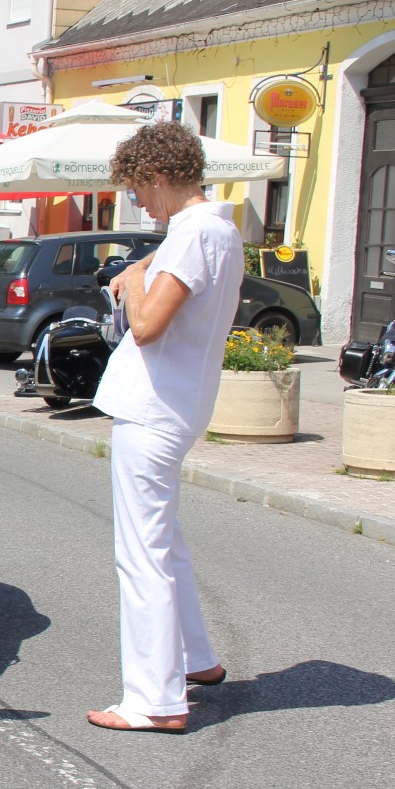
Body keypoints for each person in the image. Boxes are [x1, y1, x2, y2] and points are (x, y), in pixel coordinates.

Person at [88, 120, 242, 734]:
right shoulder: (216, 228)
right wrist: (149, 259)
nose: (139, 204)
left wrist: (132, 283)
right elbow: (178, 253)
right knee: (166, 539)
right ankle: (196, 659)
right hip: (182, 401)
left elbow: (148, 325)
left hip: (154, 408)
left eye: (139, 190)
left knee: (142, 553)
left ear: (158, 177)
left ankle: (153, 699)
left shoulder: (191, 235)